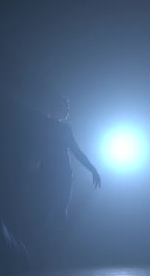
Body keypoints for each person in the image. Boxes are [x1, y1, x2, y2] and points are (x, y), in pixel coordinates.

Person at [30, 94, 101, 267]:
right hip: (52, 175)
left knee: (57, 213)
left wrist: (92, 168)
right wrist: (92, 169)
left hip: (60, 175)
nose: (67, 110)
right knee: (50, 213)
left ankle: (50, 255)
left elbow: (75, 151)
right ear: (56, 107)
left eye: (67, 107)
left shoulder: (60, 128)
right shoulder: (50, 127)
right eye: (64, 107)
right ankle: (45, 254)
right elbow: (38, 152)